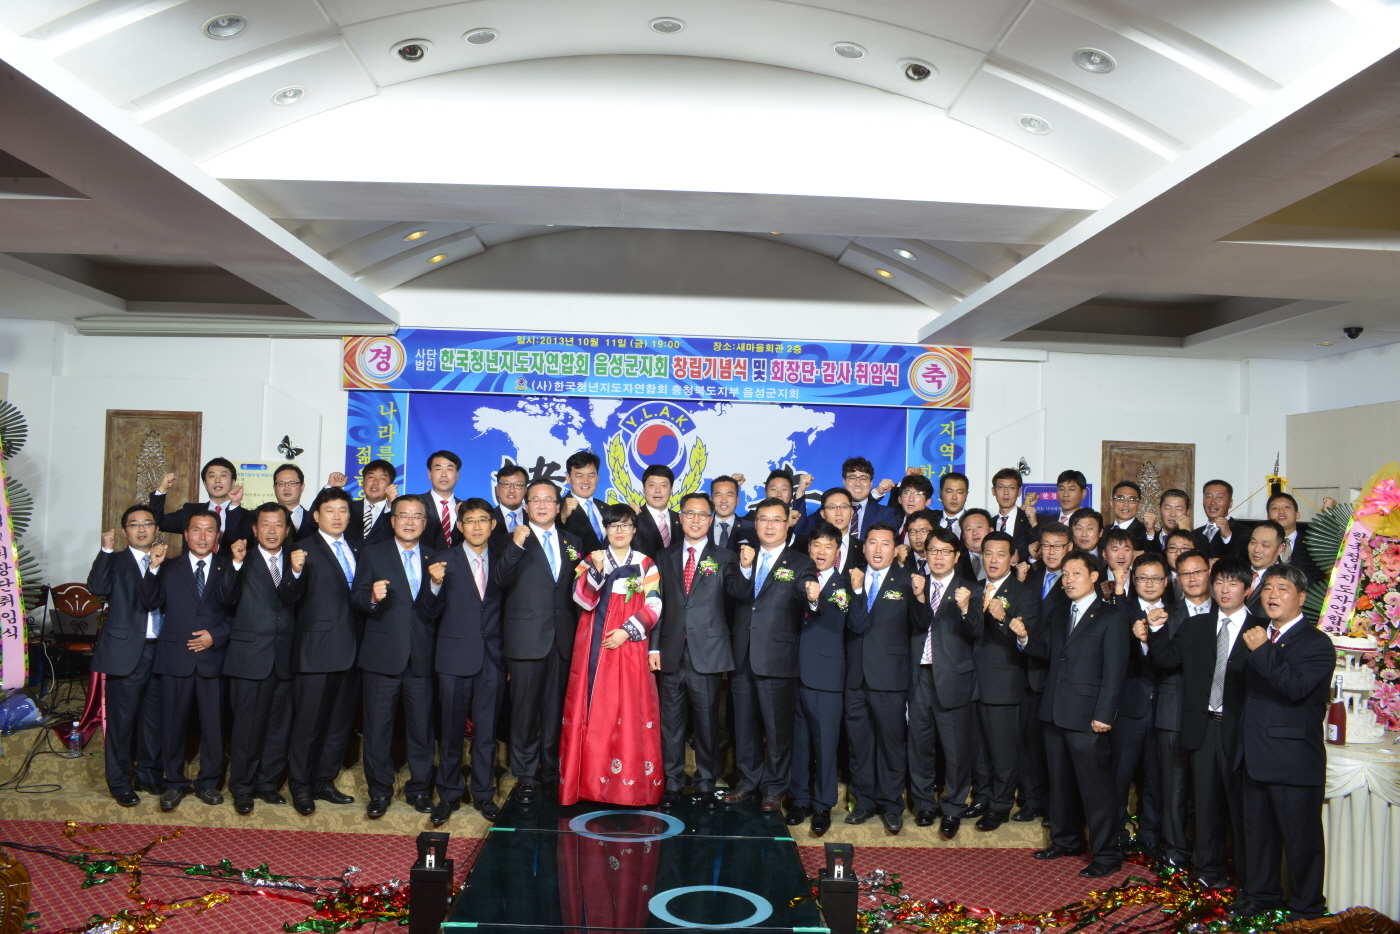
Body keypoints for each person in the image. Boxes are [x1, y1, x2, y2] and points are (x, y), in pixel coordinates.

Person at [1142, 557, 1263, 889]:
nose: (1224, 589)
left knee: (1241, 806)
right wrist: (1155, 630)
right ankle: (1208, 872)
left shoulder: (1261, 629)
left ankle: (1248, 879)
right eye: (1219, 582)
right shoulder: (1196, 626)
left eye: (1233, 583)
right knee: (1206, 803)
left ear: (1247, 588)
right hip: (1203, 727)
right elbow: (1165, 659)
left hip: (1241, 730)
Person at [1012, 551, 1129, 878]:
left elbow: (1115, 671)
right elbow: (1048, 651)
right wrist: (1024, 637)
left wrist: (1104, 714)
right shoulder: (1060, 612)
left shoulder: (1111, 616)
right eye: (1065, 574)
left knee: (1096, 789)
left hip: (1089, 716)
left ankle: (1106, 854)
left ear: (1094, 576)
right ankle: (1066, 841)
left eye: (1076, 573)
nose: (1069, 579)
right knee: (1059, 783)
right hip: (1055, 711)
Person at [1236, 565, 1332, 919]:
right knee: (1258, 838)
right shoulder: (1258, 634)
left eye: (1282, 588)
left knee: (1301, 842)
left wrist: (1262, 649)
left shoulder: (1316, 643)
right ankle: (1261, 898)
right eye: (1268, 588)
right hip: (1254, 755)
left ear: (1301, 598)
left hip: (1293, 760)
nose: (1272, 594)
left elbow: (1295, 688)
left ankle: (1307, 911)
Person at [561, 503, 663, 806]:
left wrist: (626, 631)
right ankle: (592, 783)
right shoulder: (591, 559)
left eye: (625, 525)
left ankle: (629, 786)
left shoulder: (646, 564)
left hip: (631, 644)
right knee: (596, 705)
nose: (619, 531)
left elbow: (655, 603)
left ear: (634, 529)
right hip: (595, 643)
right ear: (605, 530)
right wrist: (598, 570)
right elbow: (581, 598)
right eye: (613, 525)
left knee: (631, 706)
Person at [351, 496, 446, 819]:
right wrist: (371, 596)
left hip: (422, 655)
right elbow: (356, 598)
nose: (409, 522)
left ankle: (419, 790)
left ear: (425, 522)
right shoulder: (373, 553)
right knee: (378, 730)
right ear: (392, 521)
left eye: (416, 516)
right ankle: (379, 791)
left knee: (422, 730)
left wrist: (436, 586)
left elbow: (437, 609)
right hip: (382, 656)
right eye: (403, 516)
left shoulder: (436, 557)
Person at [722, 498, 818, 810]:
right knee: (744, 725)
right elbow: (736, 593)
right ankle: (747, 781)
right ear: (756, 523)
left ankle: (775, 788)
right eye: (763, 519)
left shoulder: (801, 562)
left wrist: (813, 597)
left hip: (777, 657)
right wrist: (744, 567)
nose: (770, 525)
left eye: (777, 519)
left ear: (788, 524)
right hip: (742, 655)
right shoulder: (743, 556)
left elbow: (807, 595)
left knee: (777, 729)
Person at [493, 479, 583, 803]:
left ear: (558, 507)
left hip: (563, 640)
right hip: (526, 639)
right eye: (535, 500)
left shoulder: (573, 541)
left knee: (556, 712)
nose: (542, 505)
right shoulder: (509, 539)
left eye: (548, 500)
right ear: (526, 506)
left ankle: (552, 773)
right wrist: (516, 545)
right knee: (524, 713)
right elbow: (499, 580)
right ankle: (526, 776)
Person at [651, 492, 740, 808]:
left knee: (706, 724)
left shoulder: (726, 557)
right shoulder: (664, 556)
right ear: (680, 518)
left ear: (711, 520)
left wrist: (746, 568)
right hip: (671, 651)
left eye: (703, 515)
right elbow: (656, 604)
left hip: (708, 651)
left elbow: (737, 596)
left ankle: (705, 783)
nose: (696, 520)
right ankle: (672, 782)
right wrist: (653, 648)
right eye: (690, 513)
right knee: (670, 725)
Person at [153, 511, 239, 811]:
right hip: (176, 658)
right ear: (186, 534)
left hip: (213, 658)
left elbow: (240, 613)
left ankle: (209, 783)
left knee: (214, 726)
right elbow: (150, 602)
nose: (203, 536)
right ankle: (173, 783)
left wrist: (216, 635)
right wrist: (152, 569)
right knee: (172, 725)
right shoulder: (167, 567)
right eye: (196, 530)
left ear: (218, 536)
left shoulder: (230, 567)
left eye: (209, 530)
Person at [286, 487, 362, 816]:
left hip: (353, 651)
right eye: (329, 510)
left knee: (338, 723)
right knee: (309, 724)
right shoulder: (301, 549)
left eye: (343, 510)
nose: (337, 516)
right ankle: (300, 785)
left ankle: (323, 780)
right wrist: (295, 572)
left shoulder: (358, 548)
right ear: (316, 516)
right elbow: (288, 597)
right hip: (316, 651)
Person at [224, 502, 303, 815]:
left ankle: (267, 784)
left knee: (279, 727)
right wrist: (235, 563)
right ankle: (242, 787)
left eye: (278, 524)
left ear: (287, 529)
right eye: (266, 525)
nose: (272, 531)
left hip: (285, 657)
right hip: (249, 657)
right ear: (255, 530)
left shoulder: (297, 560)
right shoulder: (240, 558)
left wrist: (297, 572)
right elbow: (226, 598)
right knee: (247, 728)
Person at [431, 499, 507, 825]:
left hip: (493, 659)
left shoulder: (504, 560)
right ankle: (448, 795)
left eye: (483, 520)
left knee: (486, 734)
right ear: (459, 527)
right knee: (450, 733)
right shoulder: (442, 561)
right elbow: (428, 612)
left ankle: (483, 794)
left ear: (492, 524)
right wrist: (434, 585)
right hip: (453, 659)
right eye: (470, 521)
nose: (476, 526)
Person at [787, 521, 864, 835]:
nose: (821, 551)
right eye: (816, 545)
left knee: (825, 744)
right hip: (792, 672)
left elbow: (856, 624)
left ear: (837, 552)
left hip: (827, 675)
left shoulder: (846, 585)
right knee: (799, 743)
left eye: (828, 546)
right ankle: (798, 800)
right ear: (808, 548)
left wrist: (856, 591)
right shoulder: (796, 578)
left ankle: (822, 805)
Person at [843, 523, 920, 834]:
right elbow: (855, 624)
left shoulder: (908, 581)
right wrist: (857, 590)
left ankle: (891, 804)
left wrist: (920, 596)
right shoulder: (850, 579)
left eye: (885, 543)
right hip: (854, 677)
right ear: (863, 548)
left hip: (890, 677)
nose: (877, 549)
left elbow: (920, 623)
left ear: (895, 548)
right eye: (872, 542)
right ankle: (863, 801)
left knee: (891, 745)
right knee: (858, 744)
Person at [88, 506, 167, 806]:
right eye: (134, 524)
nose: (142, 529)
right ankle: (119, 782)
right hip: (125, 652)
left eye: (147, 523)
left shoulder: (166, 562)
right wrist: (106, 550)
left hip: (160, 651)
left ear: (156, 529)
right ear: (124, 531)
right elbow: (97, 587)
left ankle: (147, 776)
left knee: (153, 720)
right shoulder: (116, 561)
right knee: (122, 723)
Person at [907, 526, 978, 837]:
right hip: (918, 675)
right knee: (919, 745)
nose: (938, 556)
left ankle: (953, 807)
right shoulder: (914, 585)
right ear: (925, 554)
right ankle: (924, 804)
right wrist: (918, 597)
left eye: (945, 551)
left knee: (956, 750)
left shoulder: (970, 590)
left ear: (956, 556)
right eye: (933, 550)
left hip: (953, 678)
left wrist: (965, 609)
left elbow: (977, 632)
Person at [1144, 549, 1213, 868]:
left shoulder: (1226, 611)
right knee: (1173, 787)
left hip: (1213, 713)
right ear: (1177, 579)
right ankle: (1174, 851)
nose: (1192, 578)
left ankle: (1209, 855)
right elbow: (1159, 661)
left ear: (1209, 573)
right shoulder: (1164, 615)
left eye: (1198, 572)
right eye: (1185, 573)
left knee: (1209, 787)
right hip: (1173, 711)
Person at [970, 530, 1038, 831]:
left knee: (1003, 751)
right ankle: (982, 797)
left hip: (1003, 684)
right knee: (979, 749)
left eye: (1001, 554)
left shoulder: (1024, 594)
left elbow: (1026, 641)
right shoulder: (972, 589)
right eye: (988, 553)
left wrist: (1002, 618)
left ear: (1012, 558)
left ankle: (1000, 805)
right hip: (969, 682)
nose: (993, 560)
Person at [1110, 552, 1169, 851]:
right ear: (1134, 581)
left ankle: (1150, 836)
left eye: (1155, 578)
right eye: (1143, 578)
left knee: (1156, 778)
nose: (1149, 583)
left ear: (1166, 581)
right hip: (1129, 706)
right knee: (1119, 775)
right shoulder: (1121, 610)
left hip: (1163, 710)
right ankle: (1115, 835)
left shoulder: (1176, 613)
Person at [1014, 522, 1071, 824]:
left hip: (1058, 676)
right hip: (1027, 673)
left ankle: (1054, 806)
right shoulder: (1031, 578)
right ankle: (1031, 800)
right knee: (1029, 742)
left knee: (1055, 747)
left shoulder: (1074, 582)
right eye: (1046, 545)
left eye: (1057, 546)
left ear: (1069, 548)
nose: (1051, 551)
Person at [149, 457, 250, 551]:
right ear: (205, 484)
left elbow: (234, 539)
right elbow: (158, 522)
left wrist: (235, 503)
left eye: (223, 475)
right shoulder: (190, 511)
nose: (217, 480)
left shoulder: (247, 516)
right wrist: (162, 489)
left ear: (233, 482)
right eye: (212, 476)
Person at [334, 460, 397, 548]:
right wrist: (332, 488)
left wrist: (391, 505)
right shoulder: (347, 507)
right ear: (362, 483)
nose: (375, 482)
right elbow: (315, 523)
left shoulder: (396, 513)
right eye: (371, 477)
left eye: (382, 478)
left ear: (391, 486)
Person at [1267, 493, 1322, 587]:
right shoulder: (1262, 545)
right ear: (1268, 518)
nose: (1281, 511)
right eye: (1275, 508)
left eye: (1287, 507)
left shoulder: (1313, 543)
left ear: (1297, 515)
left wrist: (1329, 514)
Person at [561, 450, 609, 554]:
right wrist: (563, 516)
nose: (586, 481)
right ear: (568, 478)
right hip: (577, 564)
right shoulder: (558, 507)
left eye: (591, 476)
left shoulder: (607, 508)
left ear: (597, 478)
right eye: (579, 476)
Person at [632, 465, 681, 558]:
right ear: (643, 489)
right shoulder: (632, 518)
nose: (657, 490)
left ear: (671, 489)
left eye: (663, 485)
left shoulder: (682, 519)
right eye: (652, 485)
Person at [418, 450, 463, 551]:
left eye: (449, 469)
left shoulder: (465, 508)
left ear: (457, 475)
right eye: (438, 469)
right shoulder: (415, 504)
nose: (444, 474)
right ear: (429, 474)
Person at [990, 468, 1036, 559]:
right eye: (1001, 487)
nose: (1006, 493)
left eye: (1011, 488)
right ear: (993, 491)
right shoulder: (989, 524)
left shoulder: (1031, 521)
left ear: (1019, 492)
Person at [1199, 480, 1249, 561]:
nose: (1213, 502)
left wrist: (1227, 536)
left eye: (1220, 497)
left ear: (1230, 503)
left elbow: (1243, 561)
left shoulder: (1245, 532)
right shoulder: (1195, 534)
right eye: (1208, 497)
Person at [1245, 520, 1287, 616]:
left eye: (1265, 545)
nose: (1256, 550)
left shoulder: (1286, 580)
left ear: (1280, 549)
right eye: (1253, 542)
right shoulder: (1238, 572)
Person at [817, 487, 864, 572]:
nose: (839, 513)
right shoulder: (806, 546)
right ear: (823, 514)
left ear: (852, 512)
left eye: (844, 507)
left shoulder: (863, 549)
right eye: (832, 507)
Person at [270, 463, 316, 540]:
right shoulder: (259, 518)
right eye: (281, 484)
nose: (286, 488)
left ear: (302, 487)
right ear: (274, 488)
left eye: (292, 483)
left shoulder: (314, 520)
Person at [707, 475, 751, 549]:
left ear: (737, 500)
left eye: (729, 495)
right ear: (711, 499)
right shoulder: (702, 527)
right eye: (718, 495)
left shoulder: (751, 529)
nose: (724, 500)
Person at [1106, 481, 1150, 552]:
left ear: (1139, 506)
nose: (1126, 504)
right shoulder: (1104, 532)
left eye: (1132, 499)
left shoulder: (1145, 533)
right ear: (1112, 503)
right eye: (1121, 498)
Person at [490, 463, 529, 541]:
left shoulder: (533, 519)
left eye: (518, 484)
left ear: (525, 490)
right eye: (506, 484)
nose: (511, 490)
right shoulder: (487, 519)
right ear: (497, 489)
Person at [893, 474, 934, 541]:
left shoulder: (934, 526)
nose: (911, 499)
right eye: (907, 493)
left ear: (927, 501)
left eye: (918, 494)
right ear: (900, 499)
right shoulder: (891, 520)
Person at [930, 472, 970, 536]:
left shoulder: (972, 521)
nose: (954, 497)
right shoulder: (929, 518)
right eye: (949, 492)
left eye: (959, 492)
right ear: (941, 493)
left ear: (966, 495)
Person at [958, 509, 992, 580]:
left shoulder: (1006, 558)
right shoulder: (956, 561)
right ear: (963, 536)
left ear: (991, 530)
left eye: (979, 527)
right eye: (969, 529)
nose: (975, 533)